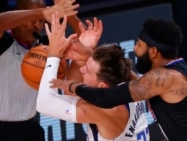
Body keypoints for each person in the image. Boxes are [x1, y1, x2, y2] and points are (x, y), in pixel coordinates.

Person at [50, 18, 187, 141]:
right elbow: (133, 80)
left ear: (153, 52)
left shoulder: (165, 77)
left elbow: (108, 98)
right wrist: (89, 55)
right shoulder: (175, 69)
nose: (134, 49)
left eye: (139, 45)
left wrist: (72, 86)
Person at [0, 0, 80, 140]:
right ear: (19, 14)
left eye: (41, 21)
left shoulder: (48, 47)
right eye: (31, 20)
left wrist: (70, 16)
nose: (36, 25)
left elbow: (85, 43)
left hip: (29, 130)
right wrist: (41, 12)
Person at [36, 12, 150, 141]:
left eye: (88, 70)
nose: (82, 69)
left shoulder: (106, 109)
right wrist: (85, 53)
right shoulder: (132, 83)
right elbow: (71, 93)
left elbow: (44, 103)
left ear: (103, 86)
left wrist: (54, 53)